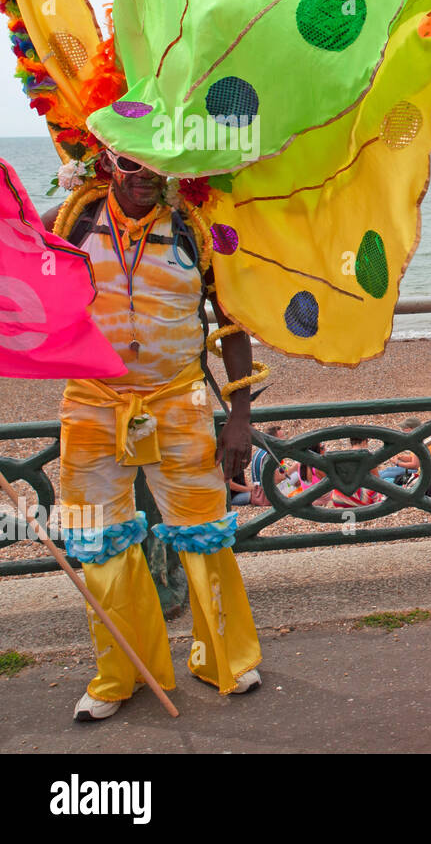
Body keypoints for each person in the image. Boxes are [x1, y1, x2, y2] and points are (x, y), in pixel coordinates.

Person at [41, 153, 263, 721]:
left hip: (179, 400)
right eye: (127, 161)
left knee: (205, 532)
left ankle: (225, 660)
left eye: (153, 162)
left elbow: (232, 319)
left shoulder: (196, 226)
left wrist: (239, 415)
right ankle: (124, 674)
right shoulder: (70, 222)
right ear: (105, 161)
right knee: (99, 541)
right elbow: (17, 269)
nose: (142, 174)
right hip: (91, 403)